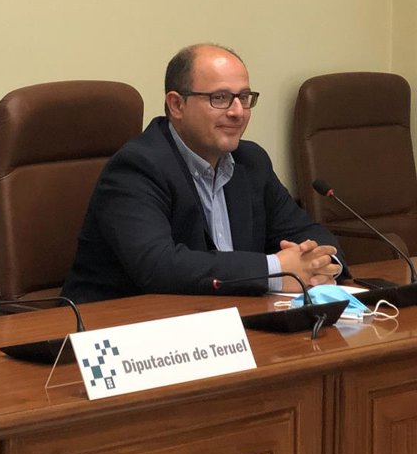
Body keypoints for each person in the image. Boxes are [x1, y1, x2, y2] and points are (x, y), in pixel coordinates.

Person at [63, 43, 343, 304]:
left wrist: (320, 265)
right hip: (121, 326)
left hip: (224, 317)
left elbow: (309, 232)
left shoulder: (251, 161)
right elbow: (158, 266)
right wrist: (276, 269)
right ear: (176, 105)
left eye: (244, 97)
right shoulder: (137, 167)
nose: (238, 112)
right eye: (220, 98)